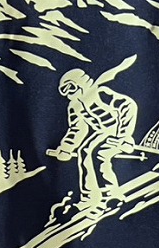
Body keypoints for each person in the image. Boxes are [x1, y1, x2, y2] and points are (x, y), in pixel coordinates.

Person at [46, 67, 137, 207]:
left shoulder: (100, 94)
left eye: (71, 87)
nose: (68, 93)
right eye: (64, 90)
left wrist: (124, 136)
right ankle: (89, 196)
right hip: (102, 132)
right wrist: (66, 149)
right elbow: (77, 129)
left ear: (81, 83)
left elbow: (128, 106)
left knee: (99, 154)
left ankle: (109, 193)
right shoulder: (74, 106)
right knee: (84, 152)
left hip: (117, 130)